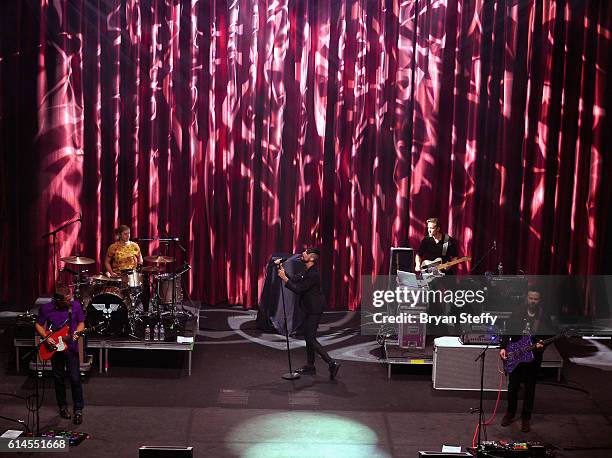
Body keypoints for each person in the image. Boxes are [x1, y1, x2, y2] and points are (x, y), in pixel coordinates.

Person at [277, 248, 341, 380]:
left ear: (311, 258)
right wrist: (284, 273)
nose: (302, 254)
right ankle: (310, 366)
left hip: (314, 309)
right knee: (308, 336)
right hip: (308, 308)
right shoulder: (307, 270)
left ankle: (332, 363)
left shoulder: (313, 274)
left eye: (305, 253)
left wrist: (285, 279)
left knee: (310, 338)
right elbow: (295, 281)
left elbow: (299, 290)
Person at [499, 287, 552, 432]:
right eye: (531, 298)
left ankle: (526, 418)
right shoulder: (517, 311)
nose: (533, 301)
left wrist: (543, 343)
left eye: (536, 299)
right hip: (516, 354)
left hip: (533, 356)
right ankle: (510, 413)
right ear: (526, 298)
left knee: (530, 388)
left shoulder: (543, 315)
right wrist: (503, 347)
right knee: (513, 387)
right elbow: (507, 330)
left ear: (539, 300)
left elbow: (550, 335)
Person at [34, 287, 85, 424]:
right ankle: (62, 406)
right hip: (55, 348)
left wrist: (77, 332)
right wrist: (45, 337)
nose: (71, 301)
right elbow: (38, 325)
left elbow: (81, 323)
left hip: (71, 348)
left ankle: (78, 409)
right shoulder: (46, 308)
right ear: (58, 300)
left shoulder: (76, 306)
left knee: (75, 378)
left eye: (70, 298)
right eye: (67, 300)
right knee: (58, 379)